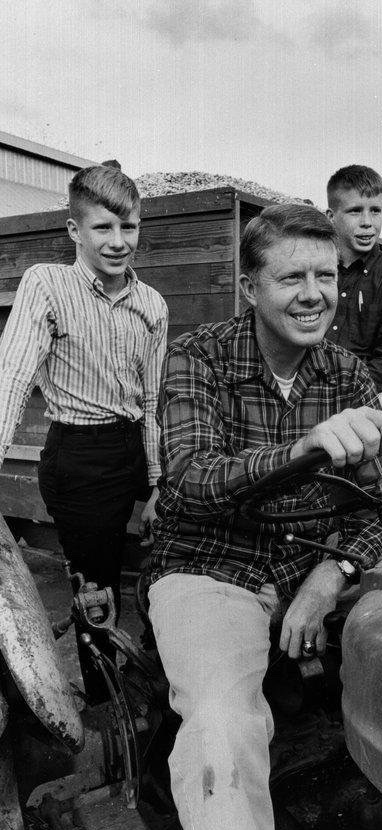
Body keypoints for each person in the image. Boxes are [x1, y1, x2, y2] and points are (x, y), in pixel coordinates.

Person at [147, 203, 382, 830]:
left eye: (326, 278)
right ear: (250, 287)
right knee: (221, 720)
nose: (314, 296)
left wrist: (331, 572)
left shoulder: (347, 372)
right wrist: (303, 451)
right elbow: (190, 481)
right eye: (292, 279)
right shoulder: (198, 358)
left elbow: (381, 501)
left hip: (311, 559)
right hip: (210, 565)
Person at [0, 165, 168, 701]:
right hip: (80, 456)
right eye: (103, 228)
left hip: (136, 447)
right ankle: (106, 699)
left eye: (130, 227)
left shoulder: (153, 305)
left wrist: (159, 482)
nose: (119, 243)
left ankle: (166, 677)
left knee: (167, 561)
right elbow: (13, 377)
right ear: (75, 231)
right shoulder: (46, 284)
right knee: (96, 587)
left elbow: (152, 399)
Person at [325, 164, 382, 408]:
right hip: (303, 395)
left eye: (375, 211)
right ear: (330, 216)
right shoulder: (314, 269)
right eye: (355, 211)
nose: (368, 222)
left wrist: (350, 400)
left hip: (362, 402)